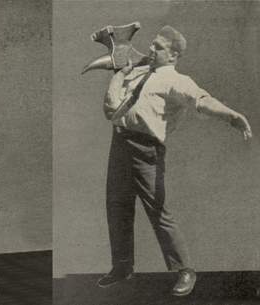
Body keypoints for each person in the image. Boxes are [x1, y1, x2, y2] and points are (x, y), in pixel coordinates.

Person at [98, 25, 252, 296]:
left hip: (146, 149)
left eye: (158, 47)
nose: (151, 49)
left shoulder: (176, 80)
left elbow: (201, 100)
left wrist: (230, 116)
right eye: (153, 44)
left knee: (158, 210)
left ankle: (185, 270)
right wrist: (119, 74)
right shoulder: (139, 72)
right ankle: (122, 266)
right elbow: (113, 106)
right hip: (119, 143)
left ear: (173, 56)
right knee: (117, 205)